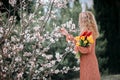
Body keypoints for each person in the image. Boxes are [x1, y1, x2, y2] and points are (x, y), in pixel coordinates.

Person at [60, 11, 100, 80]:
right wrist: (67, 35)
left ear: (88, 19)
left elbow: (86, 49)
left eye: (84, 18)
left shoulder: (88, 32)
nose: (82, 20)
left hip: (88, 62)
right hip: (87, 60)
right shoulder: (88, 31)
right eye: (81, 18)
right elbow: (79, 42)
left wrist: (76, 46)